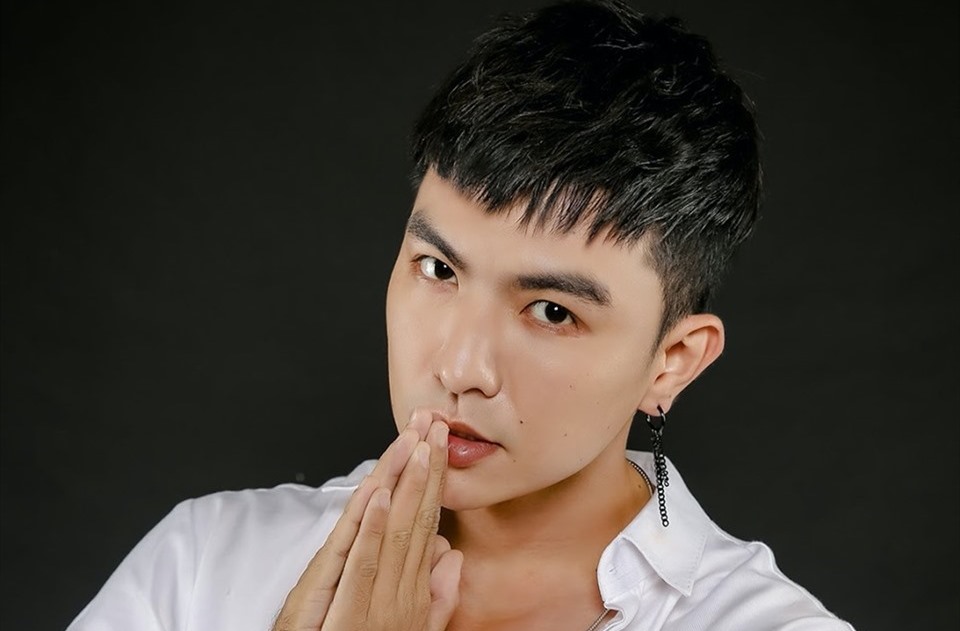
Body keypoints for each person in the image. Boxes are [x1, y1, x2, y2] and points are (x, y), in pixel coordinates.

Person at [66, 1, 856, 629]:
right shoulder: (205, 565)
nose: (459, 366)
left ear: (672, 361)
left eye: (551, 310)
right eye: (438, 269)